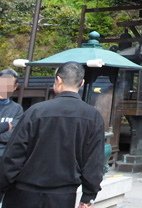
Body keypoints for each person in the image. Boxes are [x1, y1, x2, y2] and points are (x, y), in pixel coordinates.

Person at [0, 62, 104, 208]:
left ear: (58, 80)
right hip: (62, 196)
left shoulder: (36, 111)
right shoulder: (93, 117)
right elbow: (94, 161)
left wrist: (2, 186)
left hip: (23, 193)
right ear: (82, 83)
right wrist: (88, 196)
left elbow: (14, 155)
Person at [0, 69, 23, 158]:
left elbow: (12, 136)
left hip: (4, 156)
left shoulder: (17, 109)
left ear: (15, 86)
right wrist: (4, 127)